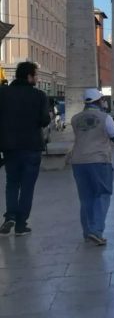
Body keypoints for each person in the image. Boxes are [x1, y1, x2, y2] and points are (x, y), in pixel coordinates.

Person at [0, 62, 51, 237]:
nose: (37, 78)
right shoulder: (38, 95)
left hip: (9, 146)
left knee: (12, 182)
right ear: (29, 76)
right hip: (31, 146)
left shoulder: (3, 93)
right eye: (35, 75)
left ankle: (10, 217)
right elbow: (44, 120)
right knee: (27, 186)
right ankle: (21, 224)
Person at [69, 89, 114, 245]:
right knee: (102, 194)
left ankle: (87, 232)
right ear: (99, 101)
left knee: (86, 198)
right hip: (99, 160)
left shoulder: (75, 119)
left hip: (78, 161)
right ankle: (96, 231)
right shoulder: (105, 118)